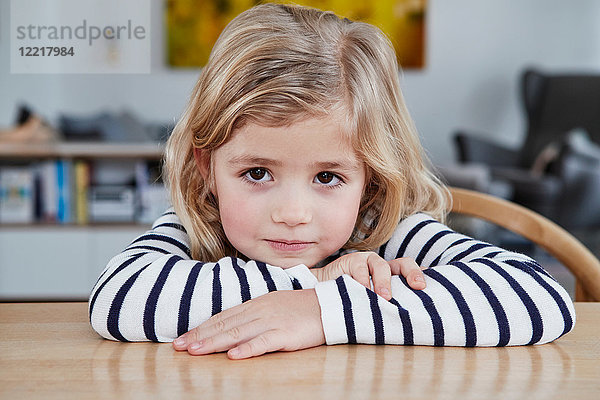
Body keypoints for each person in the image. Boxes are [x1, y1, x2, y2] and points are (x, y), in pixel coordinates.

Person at [89, 3, 575, 359]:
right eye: (257, 173)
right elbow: (118, 297)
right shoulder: (198, 228)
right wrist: (314, 280)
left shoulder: (385, 234)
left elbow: (542, 296)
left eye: (327, 177)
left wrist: (320, 310)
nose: (293, 213)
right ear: (206, 168)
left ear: (369, 178)